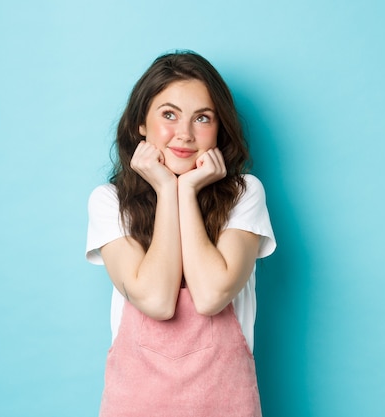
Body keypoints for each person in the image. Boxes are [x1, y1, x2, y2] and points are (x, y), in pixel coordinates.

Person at [86, 50, 276, 417]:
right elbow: (156, 301)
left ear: (219, 129)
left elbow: (210, 296)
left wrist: (185, 190)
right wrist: (165, 188)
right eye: (169, 115)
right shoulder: (109, 202)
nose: (185, 134)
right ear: (141, 123)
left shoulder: (244, 194)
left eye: (202, 118)